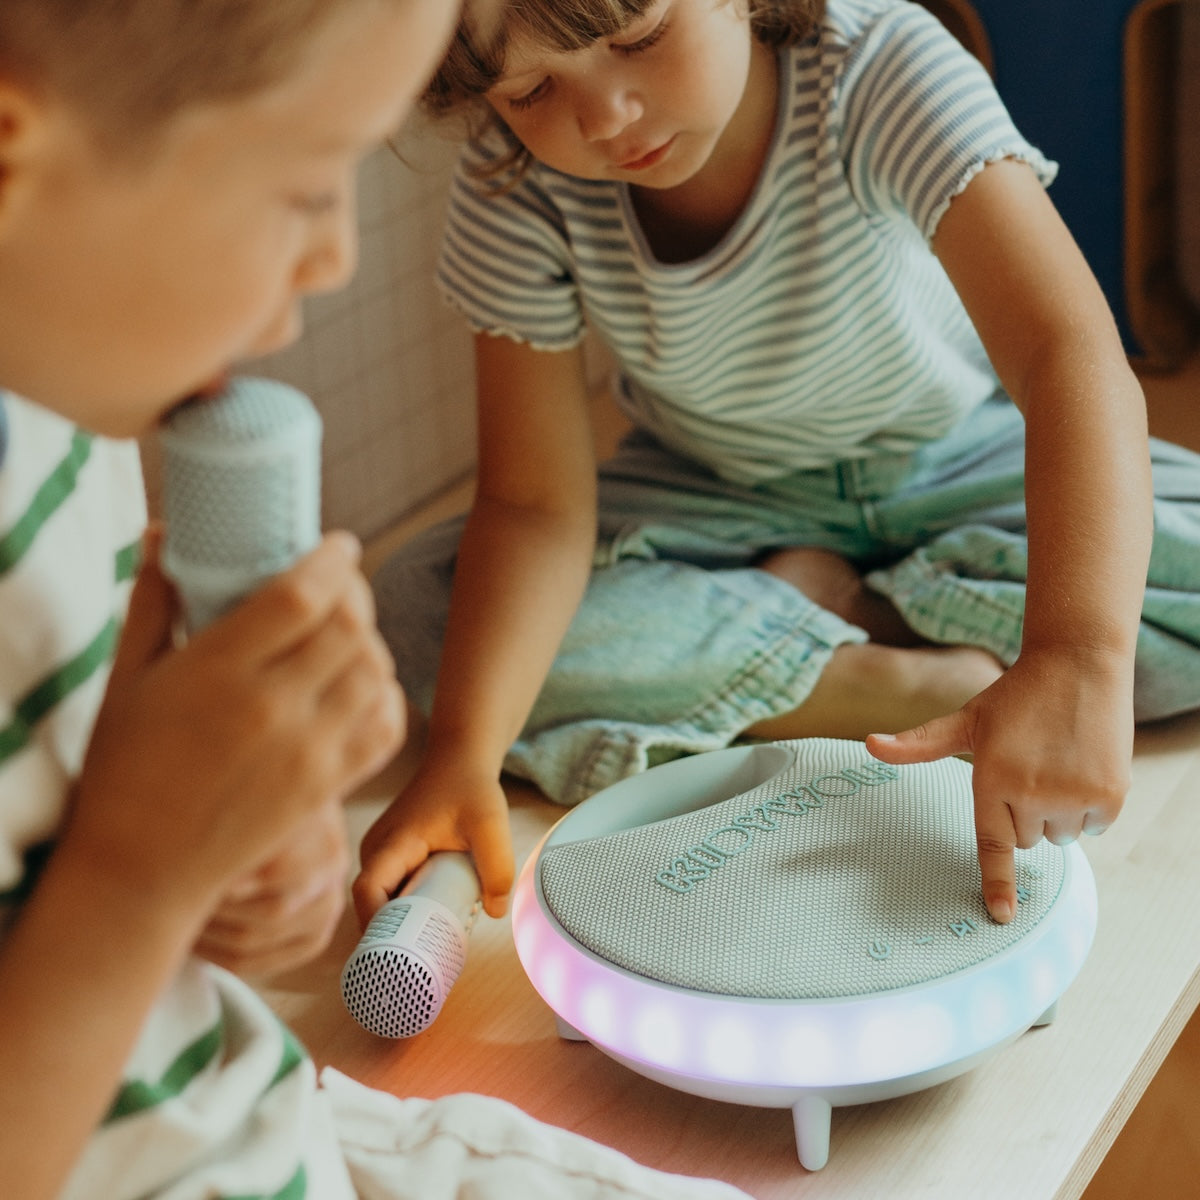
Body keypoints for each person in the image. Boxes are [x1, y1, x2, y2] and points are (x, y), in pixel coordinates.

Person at [0, 2, 755, 1197]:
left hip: (248, 1123)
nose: (339, 255)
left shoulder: (53, 407)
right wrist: (138, 879)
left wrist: (225, 862)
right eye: (305, 186)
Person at [359, 0, 1200, 933]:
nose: (603, 118)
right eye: (529, 91)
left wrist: (1078, 654)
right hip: (718, 490)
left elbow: (1068, 357)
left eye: (639, 40)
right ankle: (913, 676)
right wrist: (464, 759)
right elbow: (531, 506)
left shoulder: (880, 66)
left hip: (960, 456)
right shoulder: (511, 183)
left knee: (1122, 571)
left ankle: (848, 608)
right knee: (421, 605)